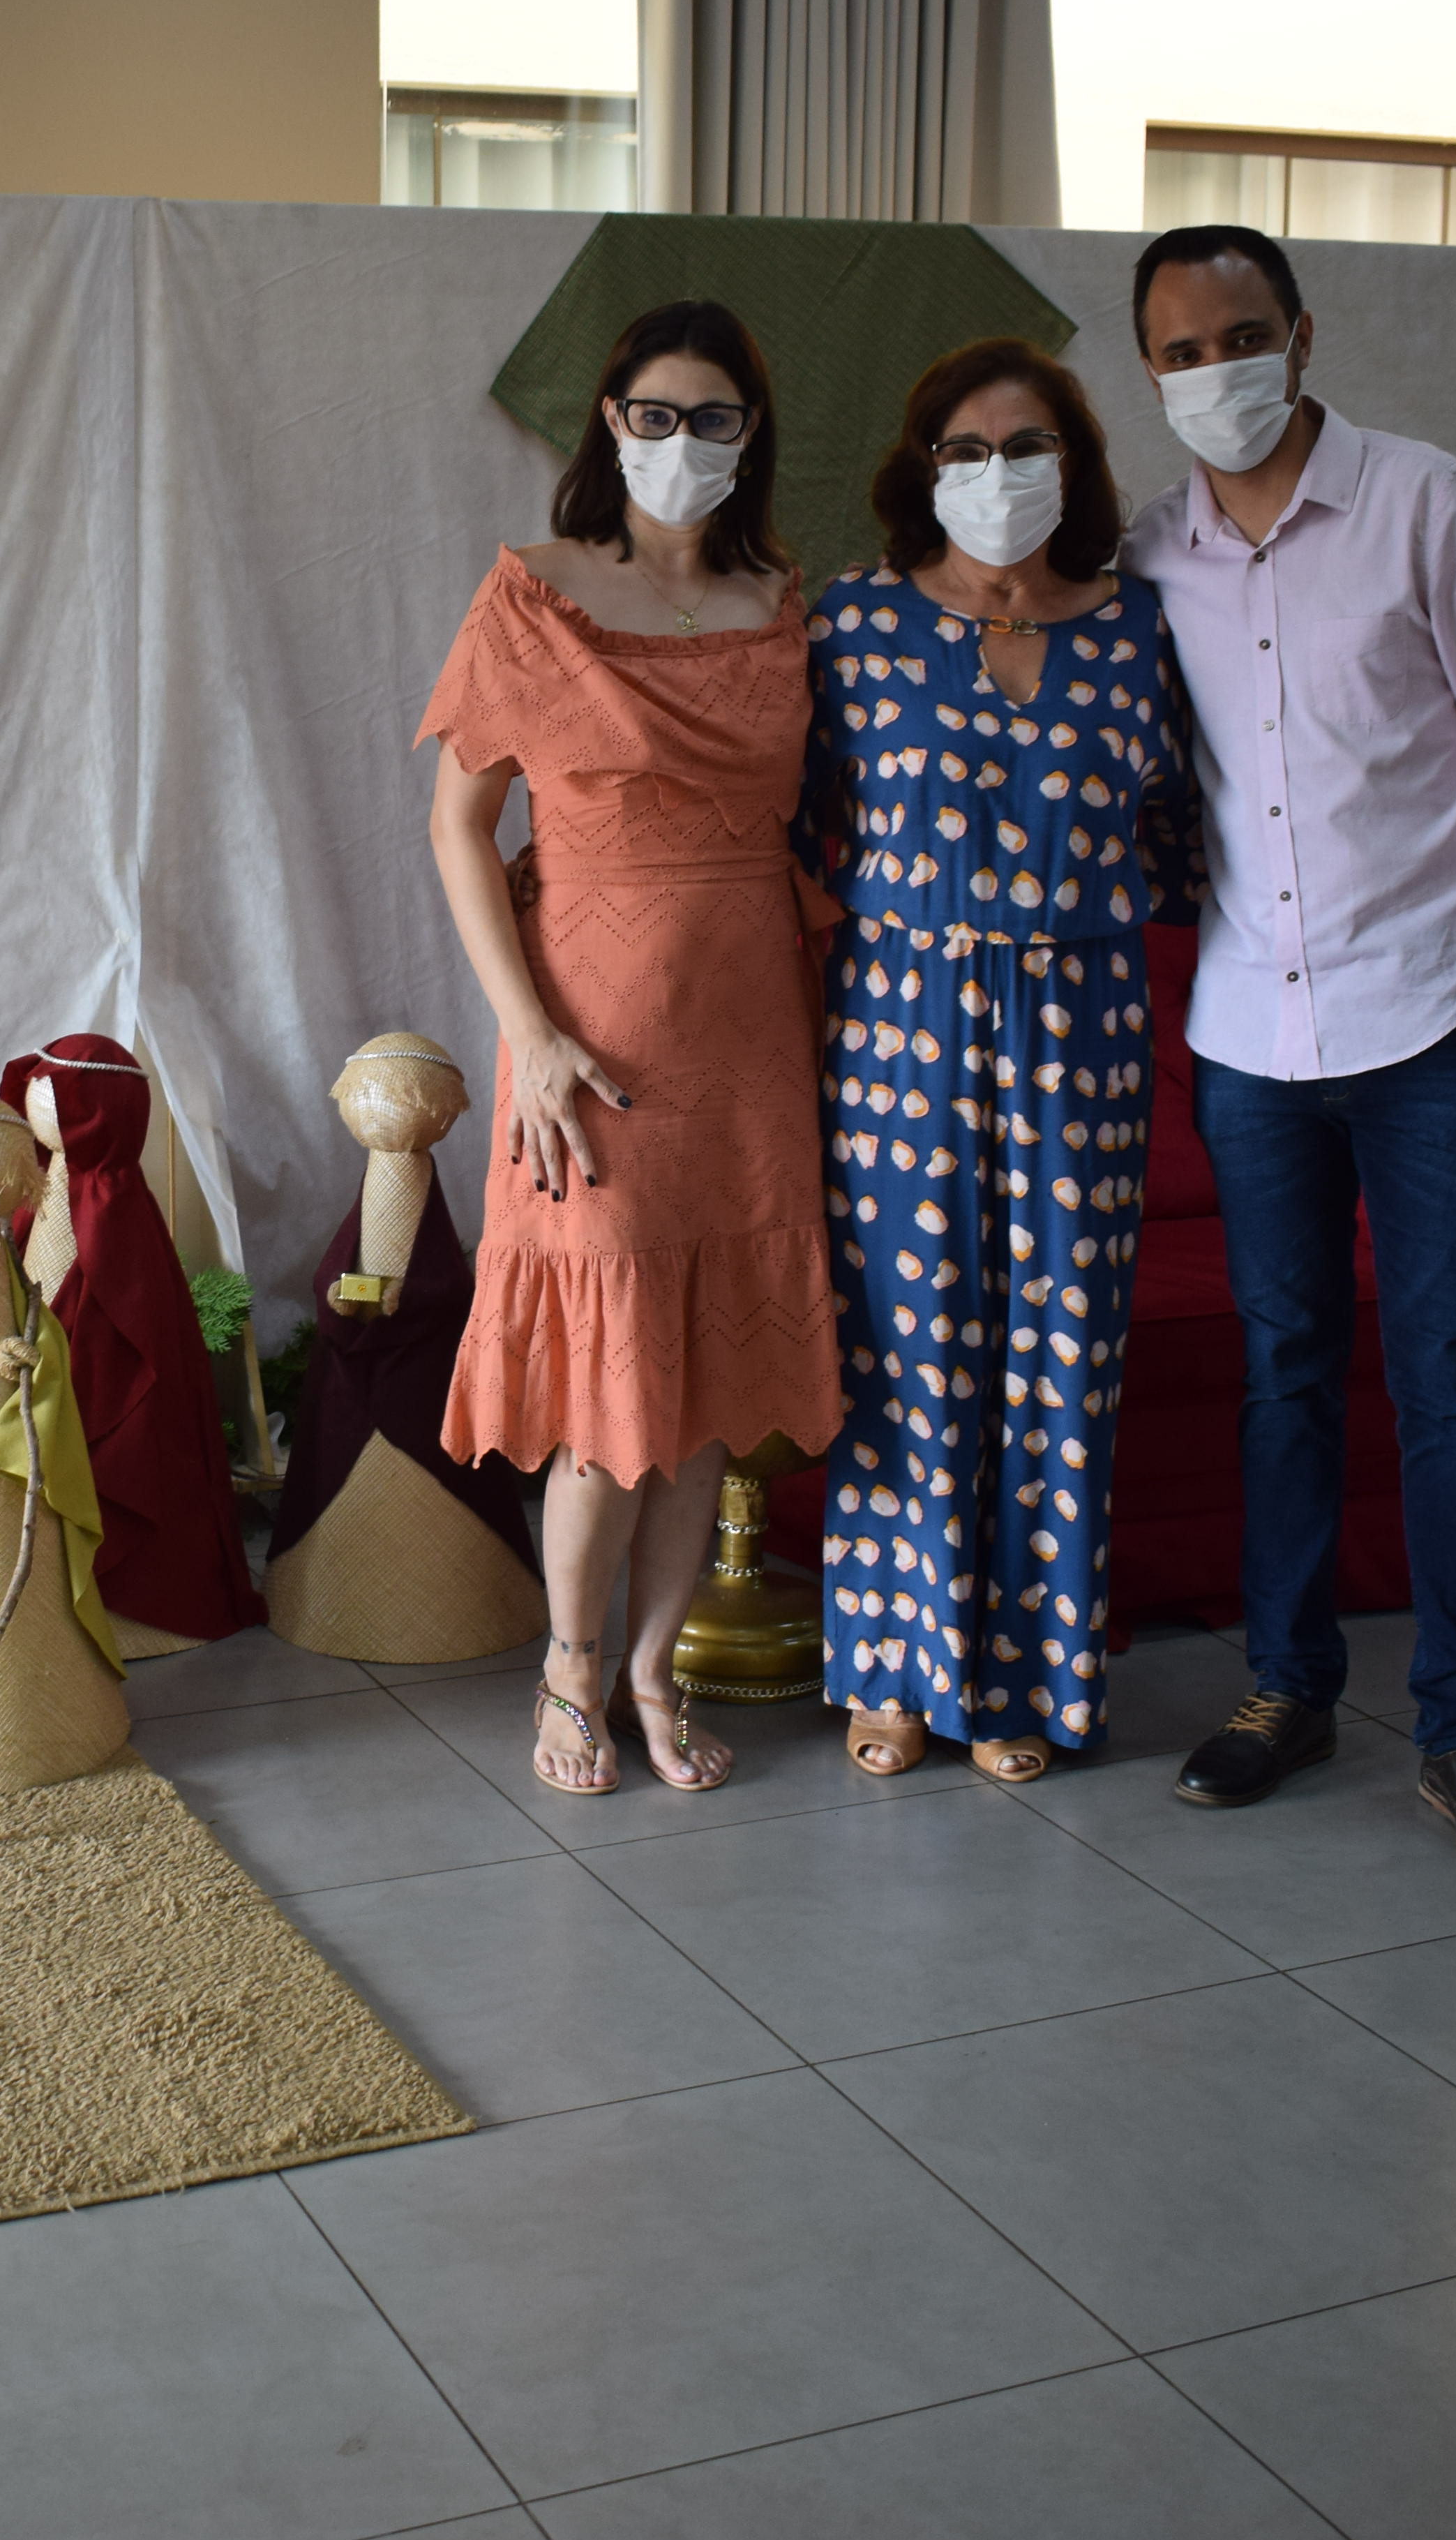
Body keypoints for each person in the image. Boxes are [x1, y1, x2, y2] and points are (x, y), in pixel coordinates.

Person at [1119, 223, 1456, 1885]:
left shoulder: (1425, 503)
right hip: (1251, 1033)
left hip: (1439, 1013)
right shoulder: (1150, 552)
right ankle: (1290, 1686)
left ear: (1304, 335)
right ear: (1150, 372)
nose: (1217, 372)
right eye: (1182, 352)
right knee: (1284, 1373)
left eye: (1241, 337)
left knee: (1451, 1379)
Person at [420, 296, 843, 1799]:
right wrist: (529, 1035)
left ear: (751, 432)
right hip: (590, 1040)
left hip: (752, 1028)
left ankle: (656, 1673)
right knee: (606, 1409)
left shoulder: (786, 601)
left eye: (711, 417)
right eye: (654, 415)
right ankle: (570, 1666)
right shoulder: (534, 592)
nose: (680, 441)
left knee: (706, 1390)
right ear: (611, 422)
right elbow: (460, 830)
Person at [799, 338, 1198, 1787]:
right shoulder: (852, 622)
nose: (996, 472)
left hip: (1083, 1033)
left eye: (1027, 446)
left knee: (1060, 1358)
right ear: (922, 469)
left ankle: (1023, 1678)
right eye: (964, 449)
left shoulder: (1141, 627)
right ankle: (898, 1670)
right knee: (905, 1351)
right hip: (898, 1026)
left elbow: (1181, 837)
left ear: (1074, 466)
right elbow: (792, 828)